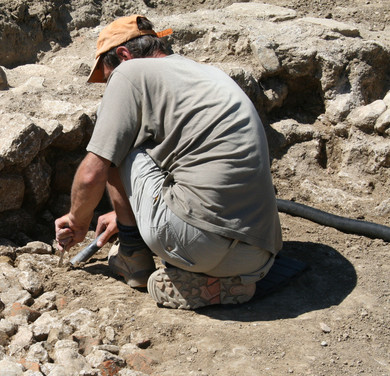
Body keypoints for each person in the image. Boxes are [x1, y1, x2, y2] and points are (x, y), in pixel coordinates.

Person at [55, 15, 283, 309]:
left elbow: (92, 173)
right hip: (259, 255)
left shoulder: (131, 71)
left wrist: (77, 220)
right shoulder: (203, 74)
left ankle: (133, 256)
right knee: (136, 140)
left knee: (118, 144)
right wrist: (133, 209)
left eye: (108, 76)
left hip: (198, 244)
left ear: (124, 55)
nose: (109, 84)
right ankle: (226, 283)